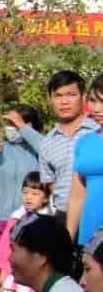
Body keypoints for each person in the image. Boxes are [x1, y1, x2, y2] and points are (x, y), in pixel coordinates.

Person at [0, 106, 43, 287]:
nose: (10, 128)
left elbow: (49, 152)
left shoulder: (39, 149)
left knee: (19, 281)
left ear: (28, 125)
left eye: (13, 124)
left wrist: (23, 129)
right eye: (7, 124)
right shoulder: (0, 149)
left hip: (27, 222)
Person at [0, 173, 55, 292]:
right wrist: (3, 274)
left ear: (46, 197)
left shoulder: (48, 222)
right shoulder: (16, 218)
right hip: (13, 278)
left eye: (35, 193)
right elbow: (5, 249)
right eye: (25, 192)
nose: (28, 197)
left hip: (35, 281)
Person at [39, 70, 98, 220]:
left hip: (96, 214)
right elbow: (50, 182)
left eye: (71, 95)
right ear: (49, 98)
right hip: (63, 215)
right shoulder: (47, 142)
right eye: (58, 95)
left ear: (83, 96)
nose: (64, 102)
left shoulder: (97, 131)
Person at [67, 73, 103, 244]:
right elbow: (77, 194)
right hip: (89, 238)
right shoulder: (85, 142)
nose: (96, 108)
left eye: (102, 102)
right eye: (93, 100)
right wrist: (67, 240)